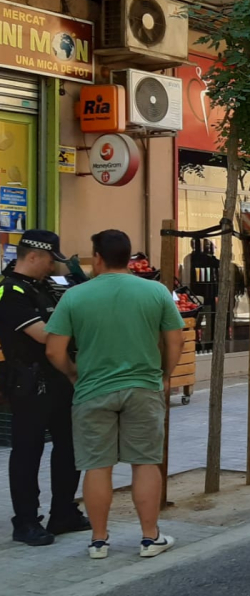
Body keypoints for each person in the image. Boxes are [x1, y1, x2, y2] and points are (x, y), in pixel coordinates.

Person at [45, 230, 185, 560]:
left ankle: (98, 541)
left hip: (93, 390)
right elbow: (175, 340)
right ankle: (150, 537)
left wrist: (73, 373)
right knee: (145, 462)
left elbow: (53, 350)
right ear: (128, 258)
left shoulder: (75, 296)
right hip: (143, 387)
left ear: (98, 258)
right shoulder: (155, 291)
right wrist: (165, 375)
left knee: (97, 466)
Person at [0, 230, 89, 546]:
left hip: (60, 378)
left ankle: (63, 512)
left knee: (69, 447)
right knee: (28, 451)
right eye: (51, 260)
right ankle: (25, 521)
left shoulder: (45, 287)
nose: (54, 267)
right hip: (29, 383)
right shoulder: (10, 291)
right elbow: (45, 334)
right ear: (34, 255)